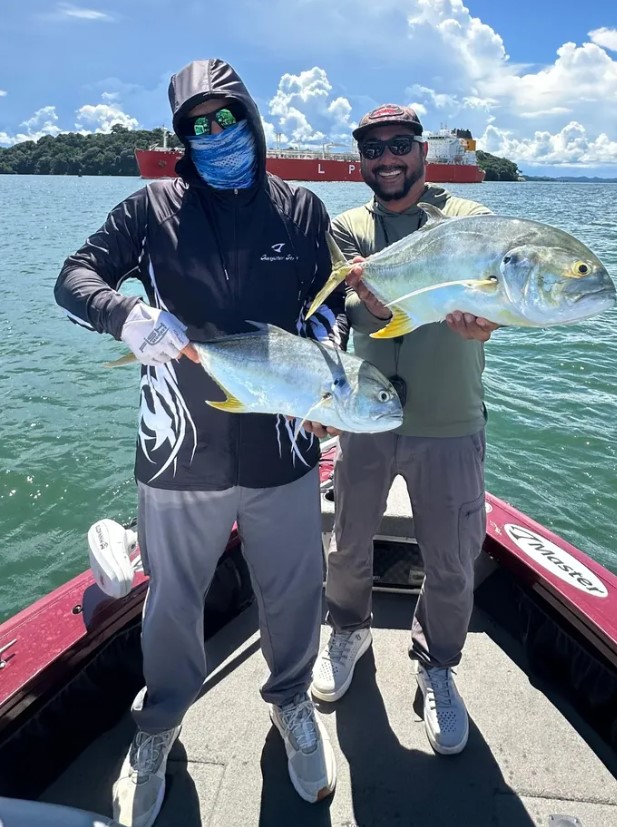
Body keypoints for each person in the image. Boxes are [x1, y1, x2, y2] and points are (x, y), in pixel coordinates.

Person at [55, 59, 345, 827]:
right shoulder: (150, 208)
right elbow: (75, 275)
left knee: (293, 591)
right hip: (178, 448)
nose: (216, 136)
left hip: (282, 445)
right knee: (172, 604)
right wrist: (122, 315)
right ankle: (158, 727)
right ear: (182, 136)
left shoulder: (302, 209)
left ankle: (290, 702)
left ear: (250, 116)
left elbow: (334, 301)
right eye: (198, 126)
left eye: (227, 119)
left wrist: (324, 349)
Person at [310, 103, 499, 756]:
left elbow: (498, 288)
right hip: (364, 416)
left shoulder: (468, 221)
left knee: (450, 559)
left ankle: (437, 665)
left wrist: (490, 319)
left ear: (422, 151)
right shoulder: (346, 229)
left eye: (398, 144)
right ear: (359, 160)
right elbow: (334, 317)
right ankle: (346, 628)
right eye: (372, 148)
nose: (386, 158)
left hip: (448, 419)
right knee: (348, 540)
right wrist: (316, 386)